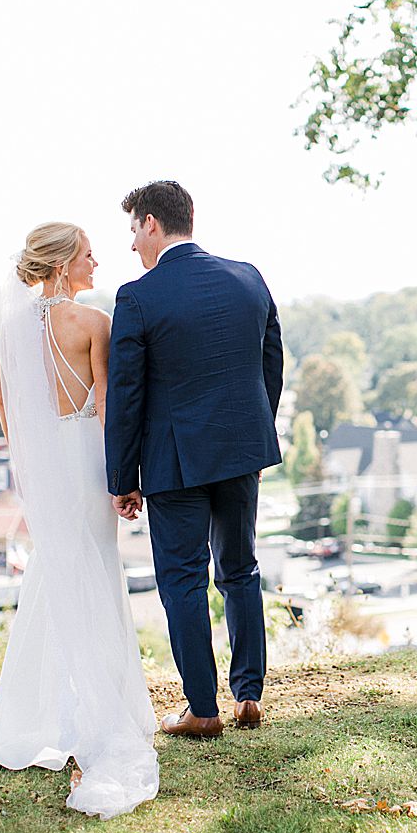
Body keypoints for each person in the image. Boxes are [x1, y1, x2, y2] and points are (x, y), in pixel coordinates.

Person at [0, 222, 159, 820]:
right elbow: (107, 408)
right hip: (86, 461)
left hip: (48, 470)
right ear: (58, 266)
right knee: (95, 578)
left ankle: (42, 715)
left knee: (53, 576)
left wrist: (38, 464)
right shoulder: (94, 323)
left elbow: (7, 408)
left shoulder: (14, 329)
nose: (97, 262)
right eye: (86, 255)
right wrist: (121, 481)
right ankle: (97, 719)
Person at [105, 180, 283, 738]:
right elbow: (270, 364)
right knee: (241, 568)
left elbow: (126, 395)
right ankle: (249, 694)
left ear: (152, 223)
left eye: (134, 229)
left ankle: (202, 710)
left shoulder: (137, 296)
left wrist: (122, 477)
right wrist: (255, 435)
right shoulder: (248, 277)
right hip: (240, 453)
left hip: (174, 462)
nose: (132, 243)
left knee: (182, 580)